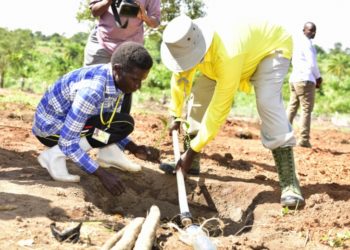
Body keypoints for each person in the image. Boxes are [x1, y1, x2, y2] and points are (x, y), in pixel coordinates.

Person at [160, 15, 304, 207]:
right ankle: (191, 164)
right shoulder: (185, 42)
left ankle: (289, 182)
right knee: (199, 98)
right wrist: (175, 114)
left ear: (200, 49)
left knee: (267, 102)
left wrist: (193, 150)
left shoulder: (228, 53)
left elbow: (219, 109)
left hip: (271, 49)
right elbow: (181, 78)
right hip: (233, 55)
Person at [33, 42, 153, 196]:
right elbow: (68, 142)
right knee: (124, 123)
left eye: (141, 80)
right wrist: (101, 174)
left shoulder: (118, 80)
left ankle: (109, 152)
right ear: (117, 69)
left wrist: (133, 148)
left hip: (76, 125)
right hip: (51, 132)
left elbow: (107, 123)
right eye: (135, 79)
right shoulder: (92, 91)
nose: (138, 86)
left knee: (121, 123)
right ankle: (54, 155)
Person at [84, 0, 161, 66]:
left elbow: (155, 22)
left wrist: (144, 16)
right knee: (92, 80)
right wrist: (108, 1)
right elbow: (94, 11)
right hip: (101, 43)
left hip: (131, 50)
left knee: (126, 82)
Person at [287, 22, 322, 148]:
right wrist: (318, 78)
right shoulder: (307, 44)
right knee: (306, 110)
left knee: (292, 108)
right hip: (305, 80)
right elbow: (312, 64)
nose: (313, 33)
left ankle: (283, 136)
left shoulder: (296, 44)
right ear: (304, 30)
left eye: (314, 30)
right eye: (311, 30)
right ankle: (303, 140)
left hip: (294, 79)